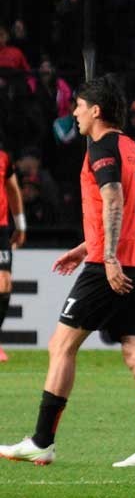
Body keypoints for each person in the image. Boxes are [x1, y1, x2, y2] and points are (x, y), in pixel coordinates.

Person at [0, 76, 135, 467]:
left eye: (78, 106)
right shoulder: (132, 147)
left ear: (96, 111)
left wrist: (106, 257)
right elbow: (125, 210)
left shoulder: (102, 148)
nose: (73, 112)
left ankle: (42, 441)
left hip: (111, 266)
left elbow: (113, 200)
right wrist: (86, 247)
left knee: (61, 346)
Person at [0, 142, 25, 362]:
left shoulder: (3, 156)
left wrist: (21, 224)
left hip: (1, 229)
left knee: (4, 283)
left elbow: (12, 188)